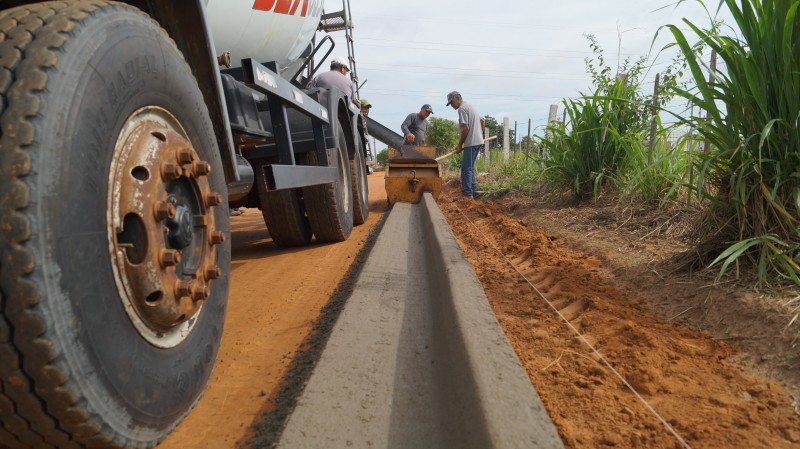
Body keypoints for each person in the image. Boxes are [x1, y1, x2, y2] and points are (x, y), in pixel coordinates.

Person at [446, 91, 485, 199]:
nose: (452, 105)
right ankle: (474, 190)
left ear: (457, 98)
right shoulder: (470, 106)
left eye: (452, 102)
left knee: (466, 168)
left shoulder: (462, 109)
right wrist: (478, 133)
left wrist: (459, 145)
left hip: (471, 142)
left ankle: (467, 194)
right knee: (470, 167)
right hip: (478, 141)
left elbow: (466, 128)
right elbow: (483, 121)